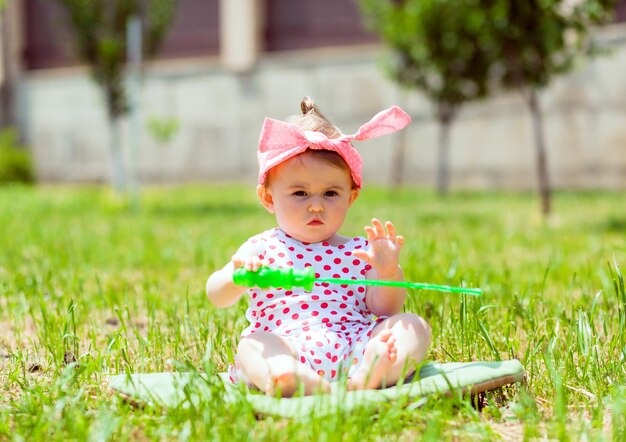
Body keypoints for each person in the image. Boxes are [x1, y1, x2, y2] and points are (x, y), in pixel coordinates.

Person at [206, 97, 430, 397]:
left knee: (413, 325)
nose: (316, 206)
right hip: (287, 344)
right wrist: (235, 277)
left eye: (330, 193)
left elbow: (385, 308)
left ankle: (371, 373)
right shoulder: (260, 249)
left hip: (357, 344)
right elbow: (216, 295)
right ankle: (288, 374)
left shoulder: (360, 251)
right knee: (252, 347)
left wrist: (387, 270)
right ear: (269, 198)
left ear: (350, 198)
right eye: (300, 193)